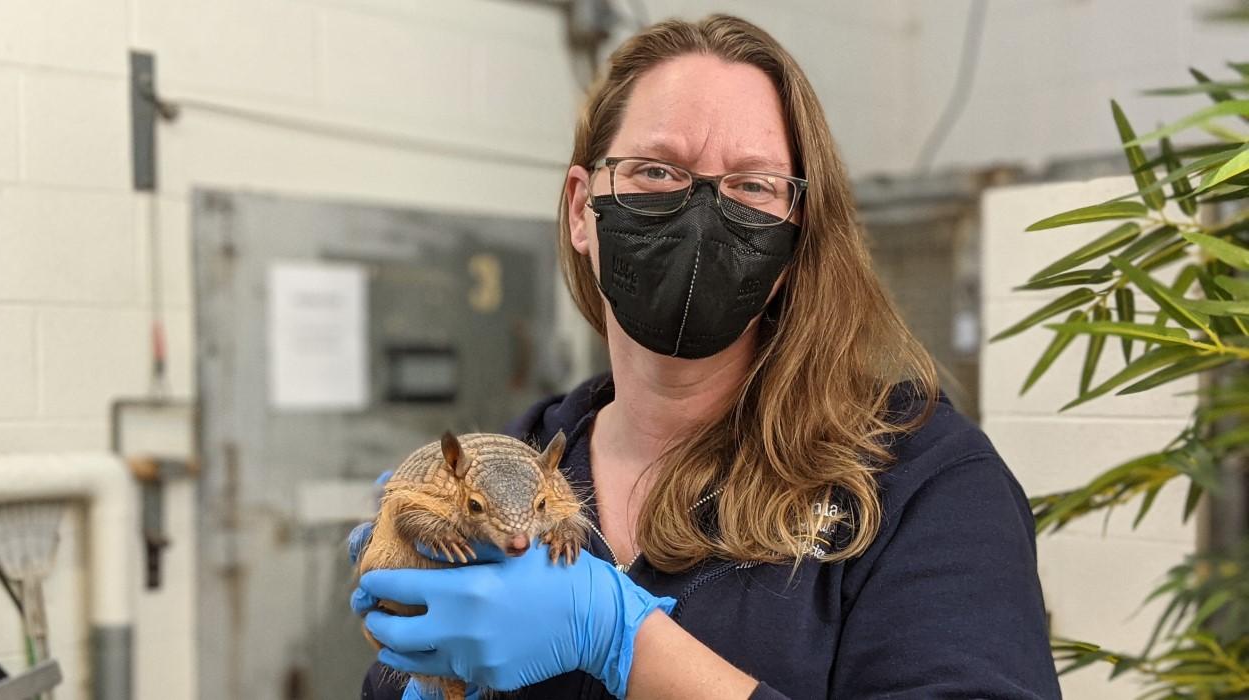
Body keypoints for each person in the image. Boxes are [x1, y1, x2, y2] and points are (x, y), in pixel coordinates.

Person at [350, 14, 1062, 700]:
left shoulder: (922, 482)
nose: (701, 213)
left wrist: (626, 647)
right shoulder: (519, 468)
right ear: (579, 209)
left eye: (753, 185)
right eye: (656, 171)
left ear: (791, 241)